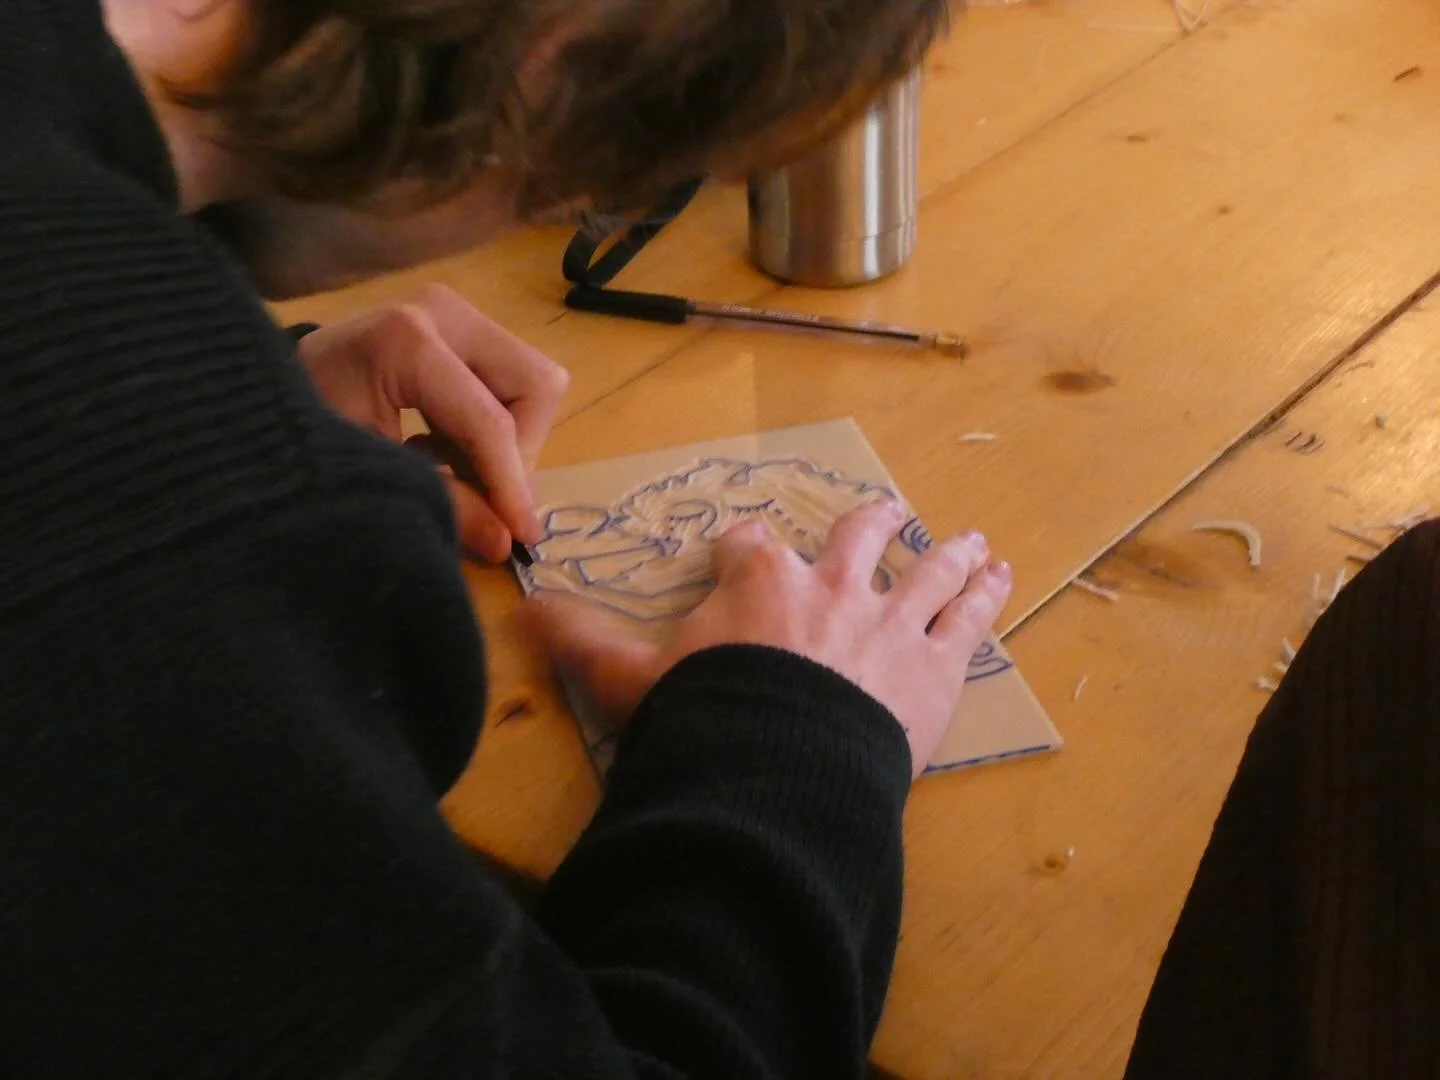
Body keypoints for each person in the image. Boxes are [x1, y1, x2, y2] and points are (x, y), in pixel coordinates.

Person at [2, 1, 1003, 1077]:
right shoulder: (175, 529)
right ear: (570, 40)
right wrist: (799, 739)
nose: (581, 197)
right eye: (627, 168)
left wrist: (223, 385)